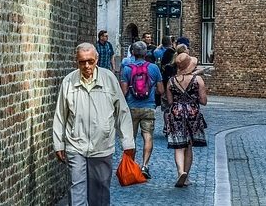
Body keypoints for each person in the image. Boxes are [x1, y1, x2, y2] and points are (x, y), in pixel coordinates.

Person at [53, 42, 134, 206]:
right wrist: (58, 144)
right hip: (76, 144)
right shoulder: (69, 82)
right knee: (77, 189)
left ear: (96, 59)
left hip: (102, 145)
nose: (87, 65)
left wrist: (127, 142)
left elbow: (122, 111)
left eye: (90, 61)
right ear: (76, 61)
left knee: (101, 192)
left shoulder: (108, 78)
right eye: (82, 62)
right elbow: (60, 115)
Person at [120, 41, 164, 179]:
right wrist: (150, 90)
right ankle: (144, 165)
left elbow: (124, 91)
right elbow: (161, 90)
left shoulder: (126, 69)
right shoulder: (154, 68)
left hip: (131, 107)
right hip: (148, 107)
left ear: (133, 53)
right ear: (146, 53)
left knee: (130, 138)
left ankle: (131, 165)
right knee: (148, 136)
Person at [164, 53, 208, 188]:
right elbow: (203, 101)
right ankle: (186, 176)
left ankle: (180, 172)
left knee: (178, 146)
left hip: (176, 113)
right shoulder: (198, 80)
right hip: (192, 114)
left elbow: (170, 101)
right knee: (189, 146)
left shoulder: (171, 81)